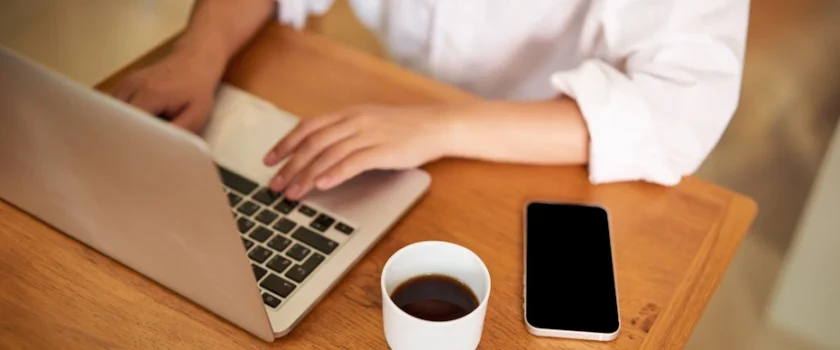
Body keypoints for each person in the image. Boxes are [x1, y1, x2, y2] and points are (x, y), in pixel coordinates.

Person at [111, 0, 749, 201]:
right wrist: (200, 51)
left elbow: (675, 112)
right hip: (400, 110)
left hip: (555, 146)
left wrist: (439, 126)